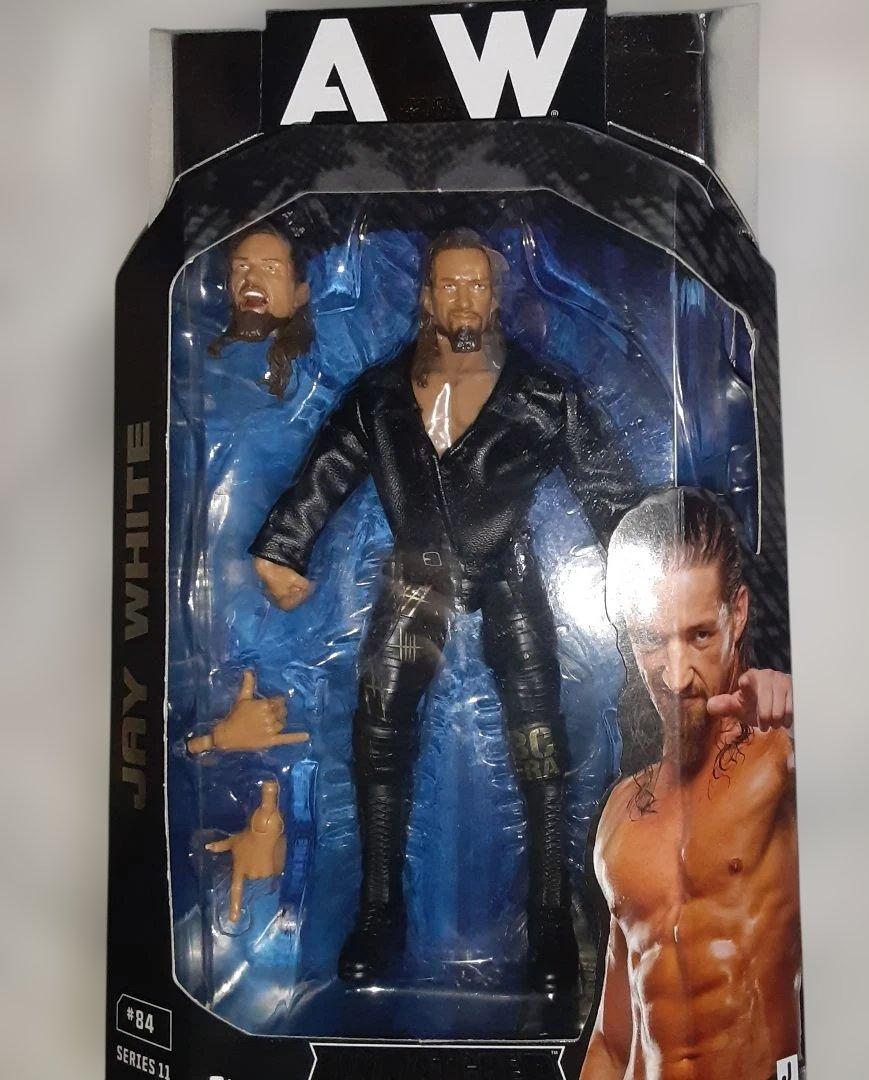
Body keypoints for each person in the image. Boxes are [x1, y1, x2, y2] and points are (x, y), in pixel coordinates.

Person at [248, 228, 643, 989]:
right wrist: (285, 545)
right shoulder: (380, 395)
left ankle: (551, 917)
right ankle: (378, 910)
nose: (464, 299)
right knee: (379, 727)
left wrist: (650, 564)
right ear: (427, 296)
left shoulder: (542, 393)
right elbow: (328, 466)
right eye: (449, 285)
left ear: (496, 297)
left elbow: (607, 484)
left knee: (538, 734)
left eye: (477, 285)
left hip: (509, 570)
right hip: (415, 574)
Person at [583, 487, 800, 1080]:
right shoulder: (622, 813)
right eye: (653, 640)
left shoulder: (783, 760)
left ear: (738, 613)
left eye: (699, 635)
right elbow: (611, 1042)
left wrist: (810, 714)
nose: (676, 676)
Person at [210, 220, 313, 398]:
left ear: (299, 294)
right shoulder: (202, 347)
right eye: (242, 267)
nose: (251, 276)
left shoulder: (314, 367)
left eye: (270, 268)